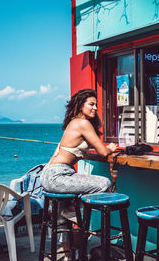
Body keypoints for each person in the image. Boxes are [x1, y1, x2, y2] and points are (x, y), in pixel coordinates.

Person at [40, 88, 118, 258]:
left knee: (61, 221)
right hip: (58, 175)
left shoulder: (73, 123)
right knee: (104, 183)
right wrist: (110, 148)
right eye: (91, 104)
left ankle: (68, 255)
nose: (95, 108)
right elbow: (104, 153)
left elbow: (85, 150)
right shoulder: (82, 123)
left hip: (51, 174)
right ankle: (75, 214)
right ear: (80, 106)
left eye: (96, 105)